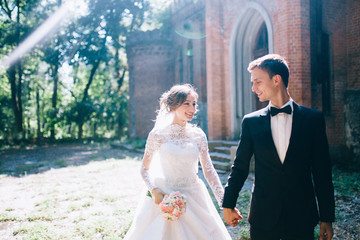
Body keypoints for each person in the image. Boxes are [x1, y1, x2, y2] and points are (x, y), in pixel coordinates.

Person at [222, 54, 335, 240]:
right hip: (263, 216)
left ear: (276, 79)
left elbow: (322, 173)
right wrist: (228, 205)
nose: (253, 88)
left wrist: (327, 217)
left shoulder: (313, 120)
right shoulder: (251, 122)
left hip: (302, 216)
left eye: (257, 82)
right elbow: (239, 168)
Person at [124, 84, 231, 240]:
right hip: (166, 194)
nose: (192, 109)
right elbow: (144, 169)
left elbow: (209, 171)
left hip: (194, 195)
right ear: (173, 105)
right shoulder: (158, 135)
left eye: (194, 104)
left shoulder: (198, 135)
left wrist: (224, 203)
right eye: (186, 103)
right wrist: (154, 189)